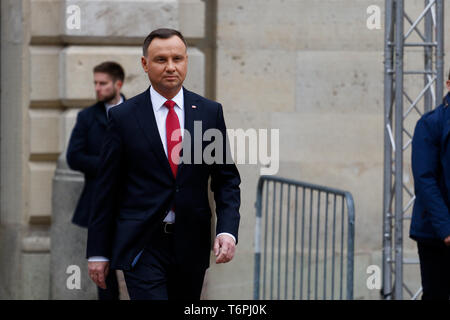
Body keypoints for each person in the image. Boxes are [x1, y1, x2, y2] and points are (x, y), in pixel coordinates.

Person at [86, 28, 241, 300]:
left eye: (177, 59)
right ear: (145, 64)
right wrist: (98, 251)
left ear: (186, 62)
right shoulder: (123, 117)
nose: (171, 67)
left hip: (191, 242)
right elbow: (106, 189)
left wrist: (227, 230)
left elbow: (226, 179)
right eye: (161, 60)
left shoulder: (208, 112)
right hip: (142, 242)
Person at [66, 61, 126, 300]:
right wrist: (107, 165)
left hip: (133, 201)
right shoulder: (87, 117)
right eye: (95, 83)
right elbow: (74, 156)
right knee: (103, 270)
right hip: (100, 201)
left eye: (103, 83)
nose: (98, 88)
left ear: (118, 84)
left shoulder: (137, 111)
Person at [410, 72, 450, 300]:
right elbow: (425, 179)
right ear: (448, 85)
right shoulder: (429, 124)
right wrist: (446, 228)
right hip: (436, 234)